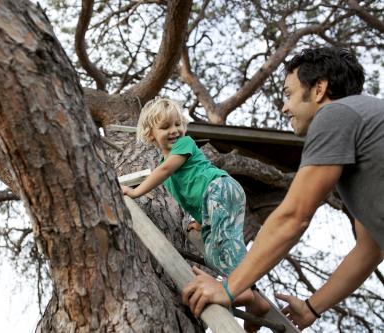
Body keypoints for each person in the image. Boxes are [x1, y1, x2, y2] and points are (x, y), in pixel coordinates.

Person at [182, 47, 384, 330]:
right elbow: (370, 249)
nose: (284, 107)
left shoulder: (335, 114)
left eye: (288, 94)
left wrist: (229, 287)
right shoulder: (366, 126)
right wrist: (313, 307)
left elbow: (294, 216)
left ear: (319, 89)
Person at [121, 98, 269, 331]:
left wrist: (136, 191)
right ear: (151, 135)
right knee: (214, 252)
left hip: (219, 188)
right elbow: (192, 197)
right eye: (166, 127)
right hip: (212, 199)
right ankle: (256, 301)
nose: (175, 131)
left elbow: (166, 168)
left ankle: (242, 289)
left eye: (178, 124)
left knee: (224, 242)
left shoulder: (184, 145)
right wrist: (201, 222)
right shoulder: (170, 177)